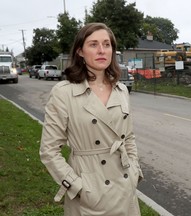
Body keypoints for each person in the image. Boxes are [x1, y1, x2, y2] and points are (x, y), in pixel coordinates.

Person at [39, 22, 143, 216]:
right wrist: (77, 187)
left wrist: (135, 172)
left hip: (124, 186)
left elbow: (128, 138)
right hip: (89, 192)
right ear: (80, 51)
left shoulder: (121, 90)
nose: (102, 50)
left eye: (107, 44)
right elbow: (49, 151)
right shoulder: (64, 93)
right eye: (93, 44)